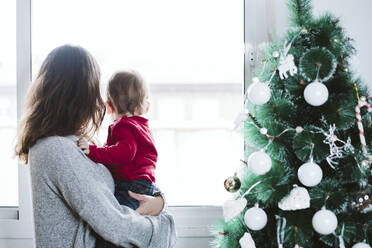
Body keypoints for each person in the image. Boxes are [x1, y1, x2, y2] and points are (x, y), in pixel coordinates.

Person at [15, 45, 176, 248]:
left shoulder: (77, 144)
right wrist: (164, 221)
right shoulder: (56, 149)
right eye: (95, 88)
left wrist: (160, 201)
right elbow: (116, 226)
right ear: (82, 93)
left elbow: (132, 181)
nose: (99, 99)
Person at [78, 71, 157, 210]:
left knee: (121, 218)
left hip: (130, 185)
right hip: (145, 184)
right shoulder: (143, 127)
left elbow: (124, 153)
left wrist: (93, 151)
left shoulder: (124, 125)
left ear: (108, 106)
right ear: (147, 107)